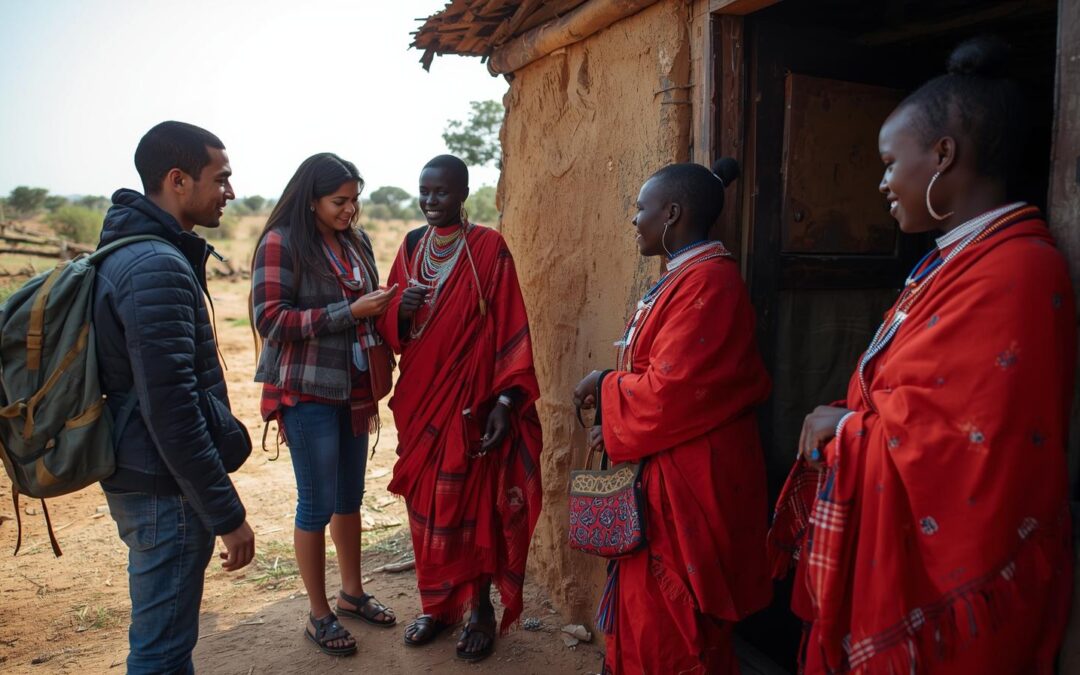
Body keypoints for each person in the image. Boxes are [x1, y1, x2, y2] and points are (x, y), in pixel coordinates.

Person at [768, 37, 1076, 674]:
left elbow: (971, 443)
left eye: (888, 163)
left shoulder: (1016, 269)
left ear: (944, 155)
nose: (881, 183)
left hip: (955, 593)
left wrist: (851, 429)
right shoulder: (949, 262)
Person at [572, 158, 774, 674]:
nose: (634, 219)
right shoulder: (683, 277)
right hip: (666, 465)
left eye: (642, 208)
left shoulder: (709, 283)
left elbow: (672, 391)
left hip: (692, 479)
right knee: (645, 616)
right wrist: (615, 415)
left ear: (673, 213)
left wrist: (605, 387)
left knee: (676, 630)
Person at [93, 121, 255, 674]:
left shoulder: (135, 249)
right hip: (164, 489)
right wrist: (226, 514)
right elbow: (172, 410)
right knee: (161, 653)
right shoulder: (156, 266)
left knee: (166, 645)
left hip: (147, 474)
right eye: (222, 178)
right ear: (178, 180)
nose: (230, 193)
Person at [375, 154, 543, 662]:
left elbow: (512, 325)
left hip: (472, 405)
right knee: (427, 509)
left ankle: (480, 610)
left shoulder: (488, 249)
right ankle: (438, 604)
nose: (430, 201)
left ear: (463, 193)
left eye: (441, 193)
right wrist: (398, 311)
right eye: (424, 192)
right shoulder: (409, 247)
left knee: (471, 507)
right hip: (421, 404)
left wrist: (508, 402)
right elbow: (392, 333)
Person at [251, 153, 400, 656]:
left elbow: (365, 305)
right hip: (308, 391)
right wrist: (348, 311)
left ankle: (352, 593)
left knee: (349, 499)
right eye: (340, 201)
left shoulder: (355, 242)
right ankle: (319, 614)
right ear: (310, 198)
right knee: (315, 503)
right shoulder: (282, 242)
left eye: (355, 200)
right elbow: (270, 320)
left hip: (355, 390)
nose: (350, 210)